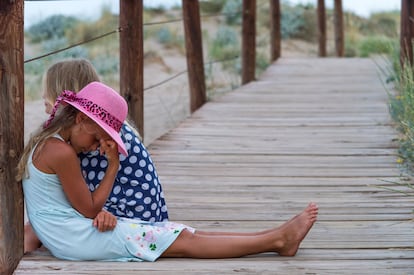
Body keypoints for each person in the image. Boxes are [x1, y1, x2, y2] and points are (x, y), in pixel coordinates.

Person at [18, 81, 318, 261]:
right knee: (182, 242)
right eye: (97, 138)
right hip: (77, 238)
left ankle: (273, 235)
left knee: (180, 233)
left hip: (72, 236)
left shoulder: (48, 143)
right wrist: (113, 166)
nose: (96, 146)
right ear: (81, 119)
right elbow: (88, 209)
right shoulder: (61, 152)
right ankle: (277, 240)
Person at [24, 59, 168, 253]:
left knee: (34, 230)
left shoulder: (94, 136)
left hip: (129, 214)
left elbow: (84, 201)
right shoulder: (101, 126)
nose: (43, 98)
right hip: (144, 212)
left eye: (48, 95)